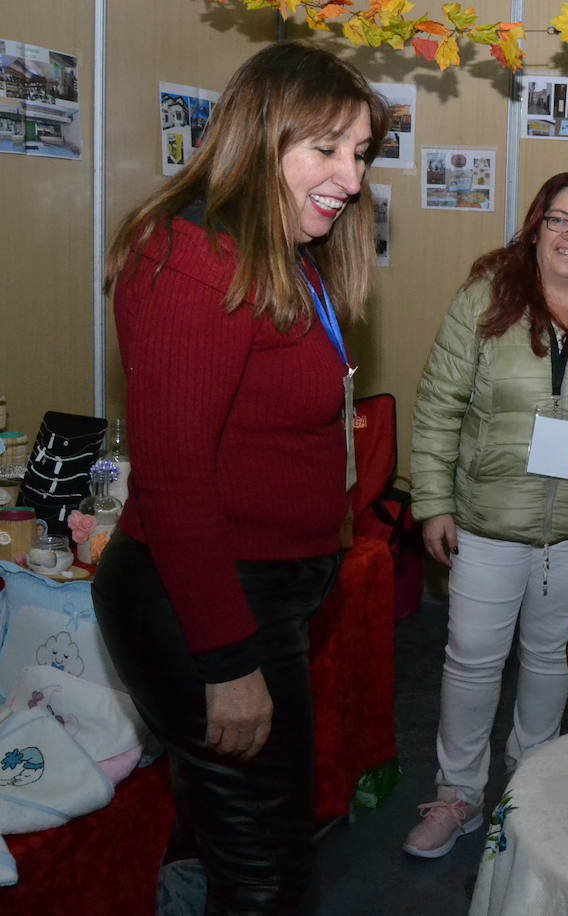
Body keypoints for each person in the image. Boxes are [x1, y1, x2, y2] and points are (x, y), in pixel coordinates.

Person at [93, 41, 388, 913]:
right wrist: (228, 662)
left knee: (226, 840)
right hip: (212, 607)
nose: (350, 175)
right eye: (326, 149)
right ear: (262, 138)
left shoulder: (277, 250)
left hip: (268, 596)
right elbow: (175, 482)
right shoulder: (192, 259)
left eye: (362, 154)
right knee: (267, 876)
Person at [406, 171, 568, 857]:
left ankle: (530, 791)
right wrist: (432, 501)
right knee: (471, 660)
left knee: (551, 658)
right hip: (487, 520)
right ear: (536, 223)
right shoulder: (485, 299)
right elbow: (437, 408)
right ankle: (457, 794)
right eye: (559, 219)